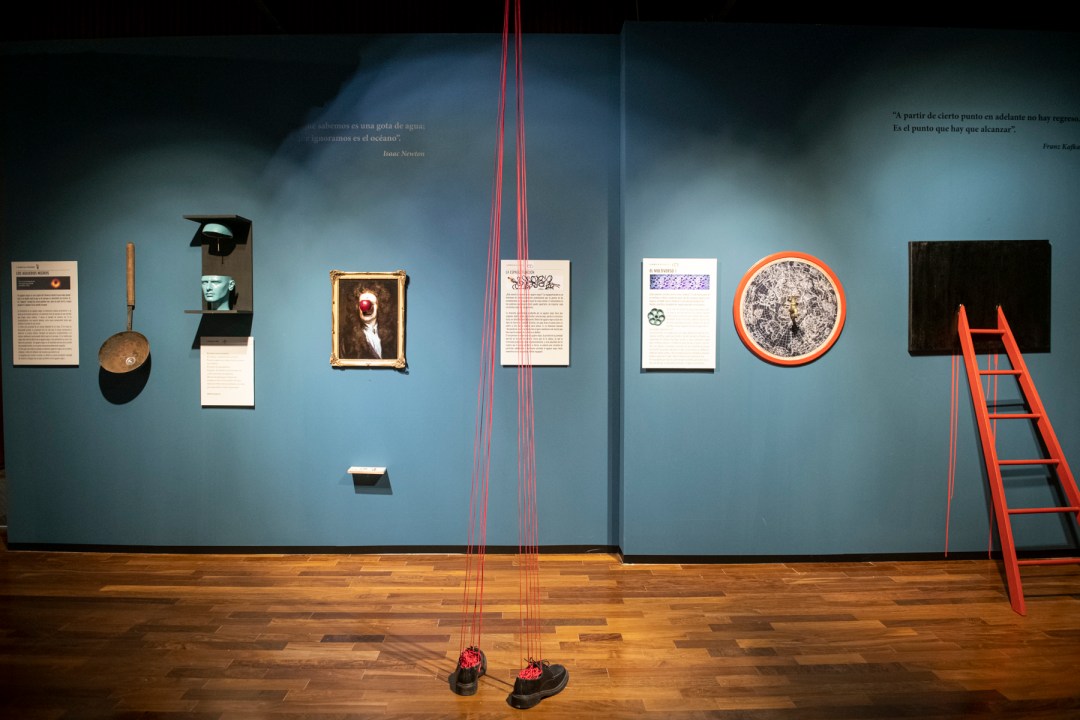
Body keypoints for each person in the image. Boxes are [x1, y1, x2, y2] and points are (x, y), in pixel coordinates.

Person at [341, 282, 396, 360]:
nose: (366, 308)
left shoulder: (393, 336)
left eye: (371, 304)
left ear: (379, 306)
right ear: (357, 307)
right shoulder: (346, 340)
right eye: (362, 304)